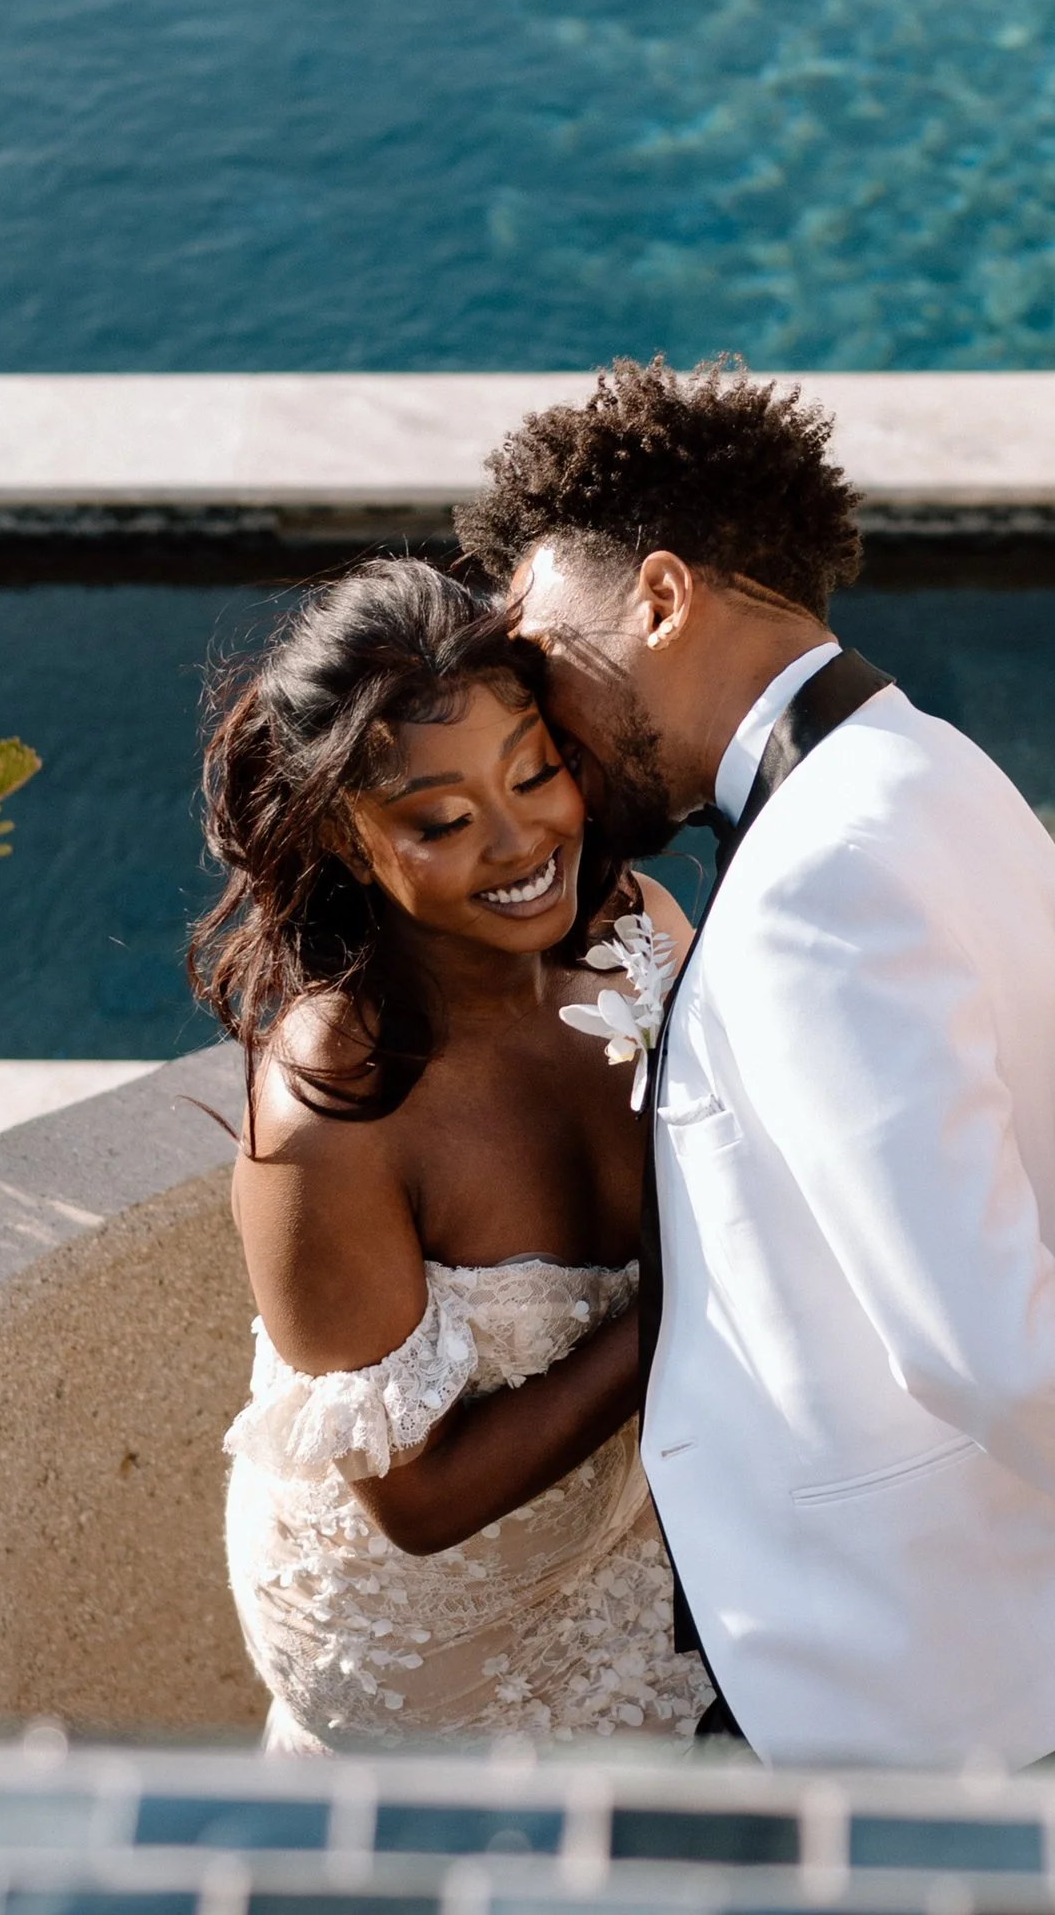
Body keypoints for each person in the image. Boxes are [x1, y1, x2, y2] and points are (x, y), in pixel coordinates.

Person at [461, 356, 1055, 1770]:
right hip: (974, 1611)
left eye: (537, 645)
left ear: (659, 596)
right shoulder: (941, 768)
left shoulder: (818, 875)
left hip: (890, 1659)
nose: (528, 702)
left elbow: (976, 1334)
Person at [194, 554, 714, 1750]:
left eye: (533, 772)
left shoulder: (639, 934)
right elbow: (418, 1502)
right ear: (343, 837)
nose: (520, 839)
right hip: (425, 1640)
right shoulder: (327, 1118)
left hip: (635, 1544)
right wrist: (694, 1297)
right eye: (441, 819)